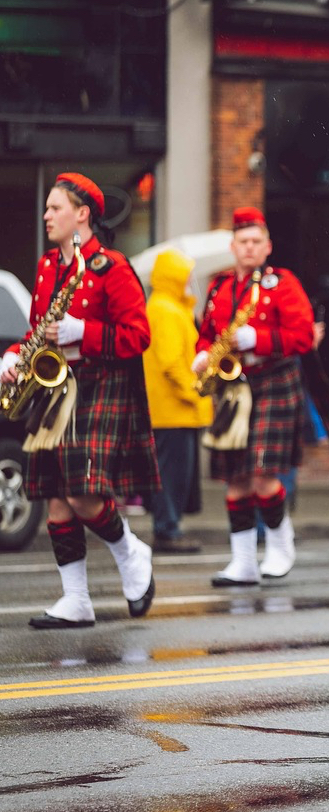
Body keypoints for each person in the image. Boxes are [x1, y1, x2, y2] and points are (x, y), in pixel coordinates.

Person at [3, 172, 158, 628]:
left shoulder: (112, 267)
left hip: (98, 382)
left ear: (82, 215)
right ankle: (76, 599)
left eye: (55, 208)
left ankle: (131, 552)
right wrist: (13, 357)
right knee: (54, 496)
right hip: (56, 384)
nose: (47, 215)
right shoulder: (49, 266)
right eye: (48, 208)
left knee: (84, 493)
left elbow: (139, 336)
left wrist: (83, 333)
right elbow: (37, 330)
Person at [193, 206, 314, 587]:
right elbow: (207, 333)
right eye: (242, 241)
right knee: (236, 478)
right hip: (233, 385)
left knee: (263, 474)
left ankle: (281, 545)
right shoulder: (219, 286)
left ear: (267, 246)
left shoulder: (284, 283)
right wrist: (201, 352)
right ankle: (243, 562)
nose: (248, 248)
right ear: (233, 245)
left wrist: (258, 340)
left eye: (255, 241)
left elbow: (304, 336)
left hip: (275, 379)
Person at [142, 248, 213, 554]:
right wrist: (194, 390)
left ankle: (168, 527)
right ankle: (167, 530)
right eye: (186, 275)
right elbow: (171, 363)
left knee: (173, 475)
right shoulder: (165, 310)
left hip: (173, 410)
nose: (191, 281)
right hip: (171, 409)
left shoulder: (169, 307)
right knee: (171, 476)